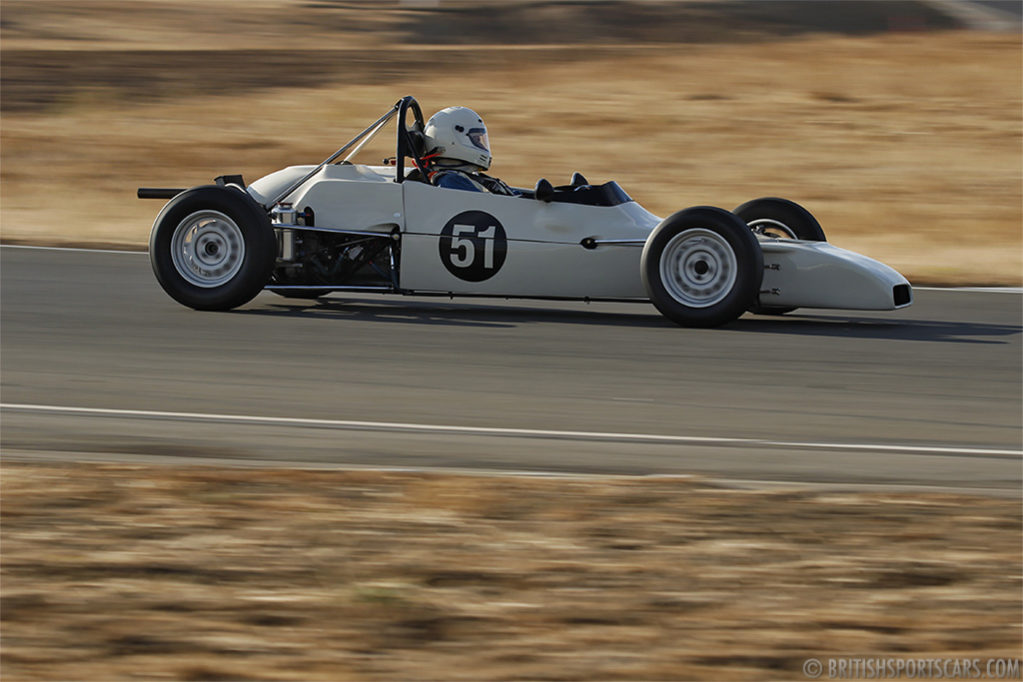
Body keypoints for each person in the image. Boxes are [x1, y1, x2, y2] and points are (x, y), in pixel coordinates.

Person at [418, 106, 516, 195]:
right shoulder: (451, 180)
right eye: (476, 139)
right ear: (452, 141)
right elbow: (485, 205)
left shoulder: (469, 176)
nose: (481, 144)